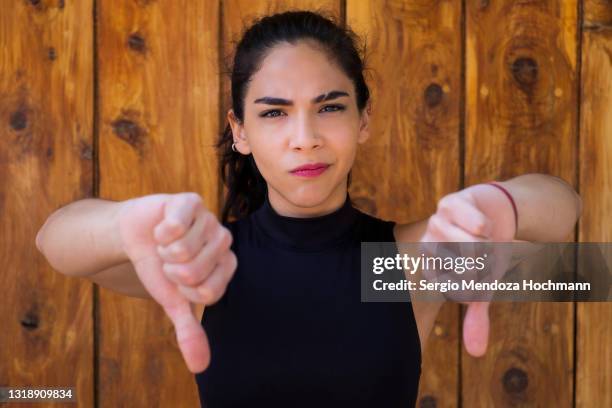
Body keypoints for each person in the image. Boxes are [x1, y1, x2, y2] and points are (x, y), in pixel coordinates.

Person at [35, 10, 583, 408]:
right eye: (275, 113)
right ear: (240, 131)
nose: (305, 138)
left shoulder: (405, 264)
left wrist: (506, 202)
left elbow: (573, 238)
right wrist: (120, 223)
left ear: (363, 120)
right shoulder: (208, 266)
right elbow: (54, 241)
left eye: (330, 107)